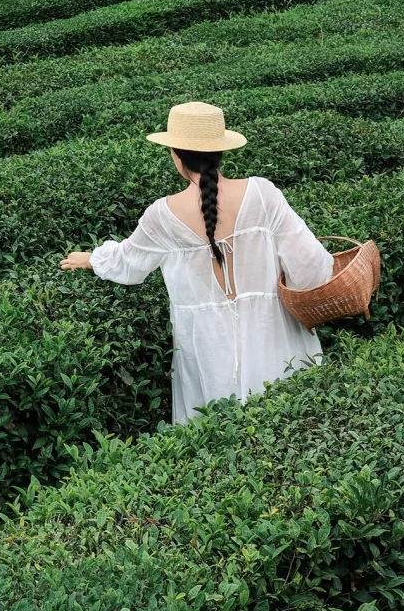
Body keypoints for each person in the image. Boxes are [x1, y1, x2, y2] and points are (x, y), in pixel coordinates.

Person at [60, 100, 334, 424]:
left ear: (176, 156)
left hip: (207, 349)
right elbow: (311, 267)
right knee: (285, 427)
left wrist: (92, 259)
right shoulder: (263, 194)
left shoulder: (162, 215)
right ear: (221, 151)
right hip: (274, 336)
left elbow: (129, 262)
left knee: (216, 434)